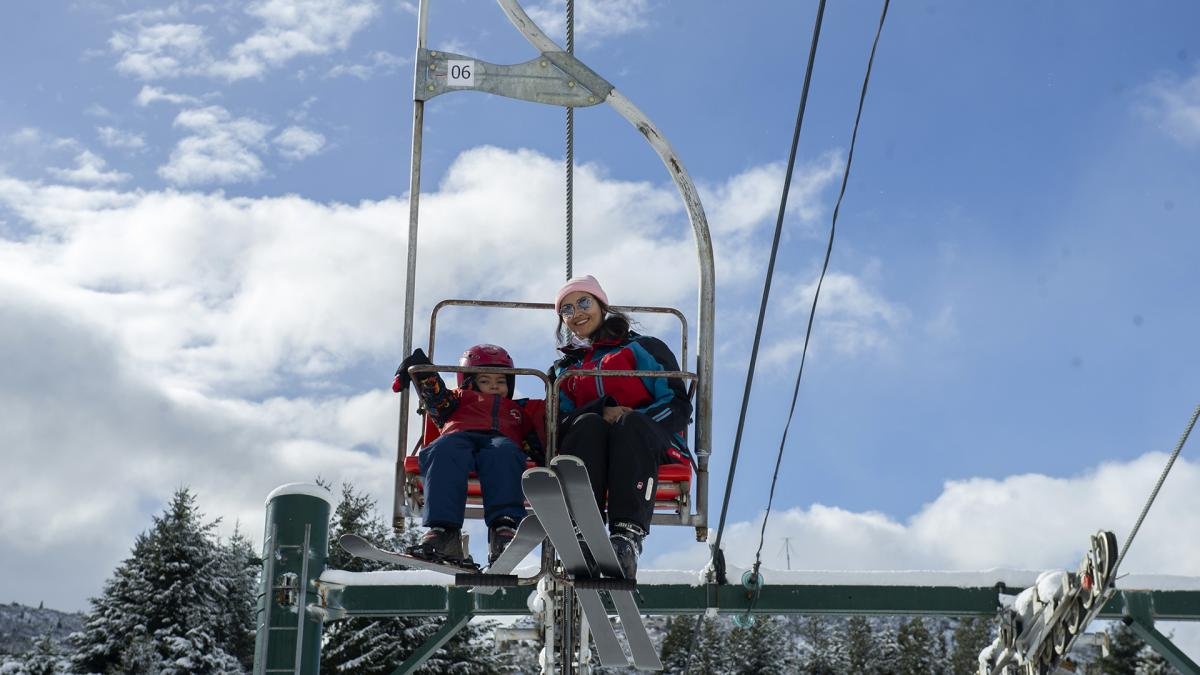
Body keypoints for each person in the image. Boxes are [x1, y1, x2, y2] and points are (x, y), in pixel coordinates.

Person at [550, 275, 692, 580]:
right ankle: (581, 534)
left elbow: (677, 404)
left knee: (629, 426)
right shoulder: (565, 370)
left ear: (602, 304)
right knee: (586, 425)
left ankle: (625, 538)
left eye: (584, 302)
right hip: (591, 445)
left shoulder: (643, 349)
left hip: (648, 443)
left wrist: (631, 416)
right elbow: (555, 423)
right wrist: (601, 413)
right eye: (567, 309)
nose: (576, 313)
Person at [394, 344, 545, 567]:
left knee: (504, 454)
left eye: (501, 381)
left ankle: (503, 528)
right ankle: (444, 532)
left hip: (500, 440)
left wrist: (542, 458)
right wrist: (422, 370)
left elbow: (532, 439)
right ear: (469, 382)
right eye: (485, 381)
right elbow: (436, 399)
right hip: (459, 436)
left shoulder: (518, 410)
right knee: (442, 450)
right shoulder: (456, 400)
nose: (494, 386)